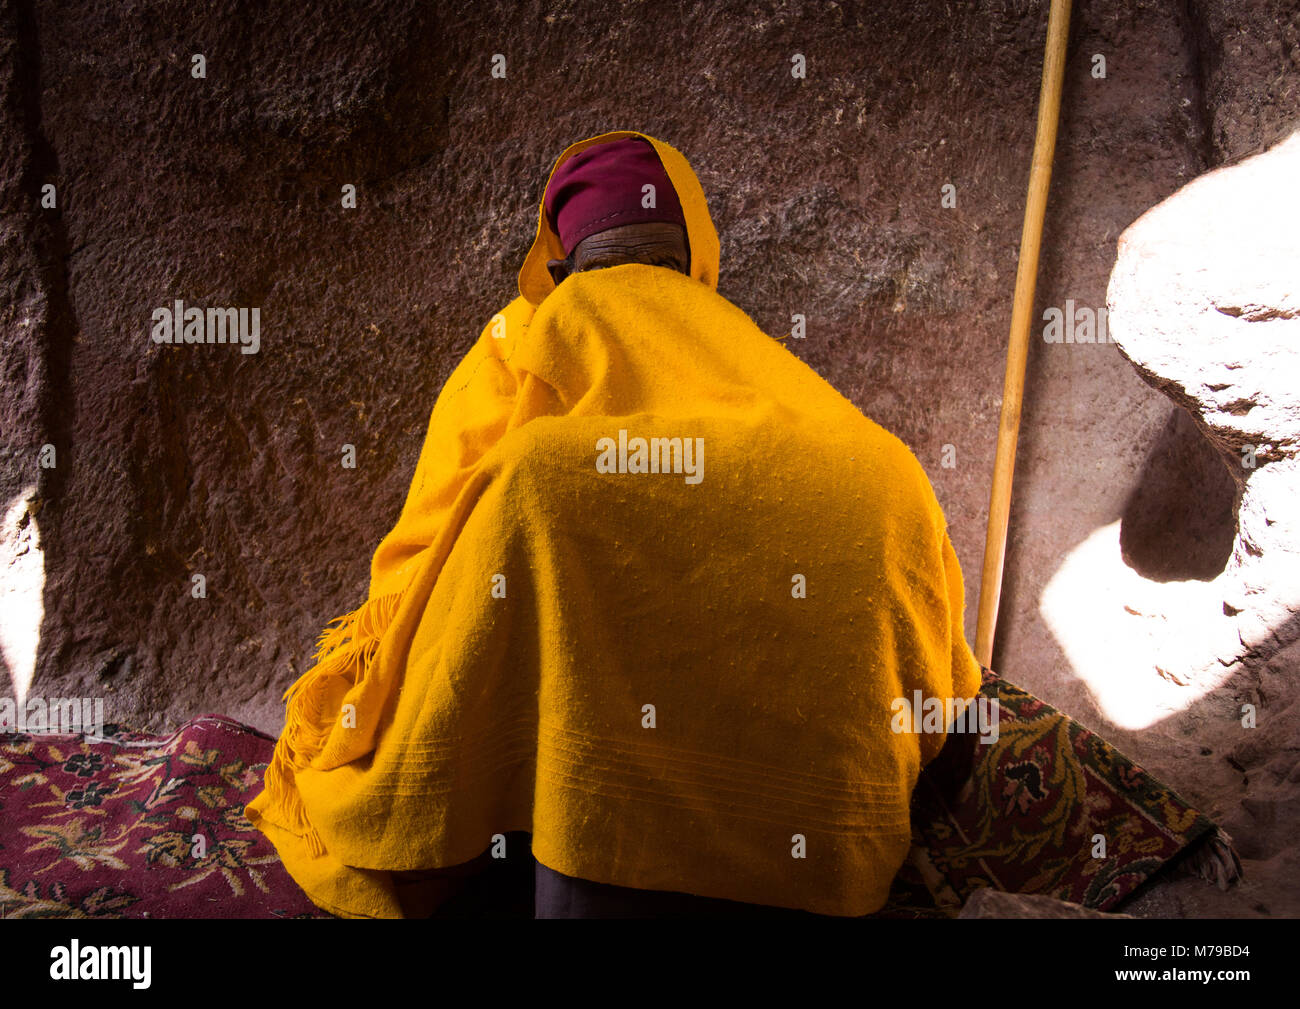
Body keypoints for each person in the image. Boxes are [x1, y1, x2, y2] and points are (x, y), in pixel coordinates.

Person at [245, 130, 982, 919]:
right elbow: (949, 705)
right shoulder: (861, 448)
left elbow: (418, 577)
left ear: (556, 271)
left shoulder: (520, 345)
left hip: (578, 855)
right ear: (698, 259)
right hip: (827, 866)